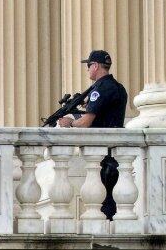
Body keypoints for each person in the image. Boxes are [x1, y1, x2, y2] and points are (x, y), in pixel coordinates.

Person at [57, 49, 127, 218]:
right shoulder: (118, 87)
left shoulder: (100, 89)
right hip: (116, 153)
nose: (87, 70)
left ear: (95, 66)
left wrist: (70, 122)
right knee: (110, 201)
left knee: (105, 203)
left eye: (88, 66)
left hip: (104, 155)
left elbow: (86, 123)